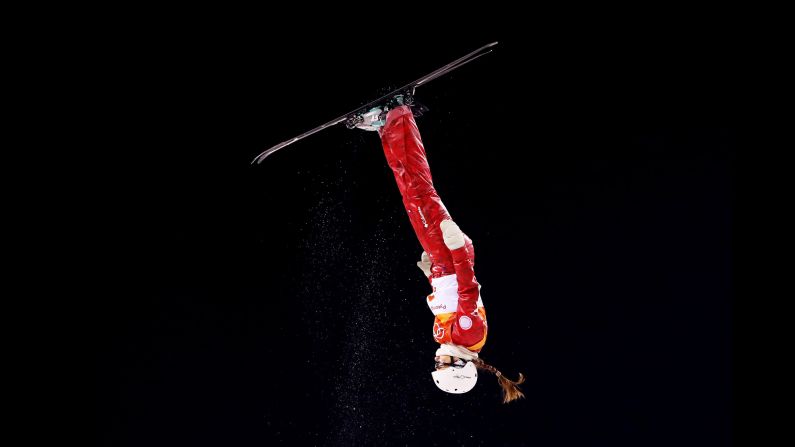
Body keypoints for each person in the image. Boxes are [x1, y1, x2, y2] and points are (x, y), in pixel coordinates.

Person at [352, 94, 525, 403]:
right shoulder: (469, 337)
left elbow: (446, 298)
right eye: (442, 365)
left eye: (437, 365)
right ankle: (400, 115)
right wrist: (456, 248)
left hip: (441, 261)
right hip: (451, 251)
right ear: (460, 366)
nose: (437, 360)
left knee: (409, 192)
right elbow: (468, 289)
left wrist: (431, 275)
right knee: (419, 186)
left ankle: (385, 126)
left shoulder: (443, 338)